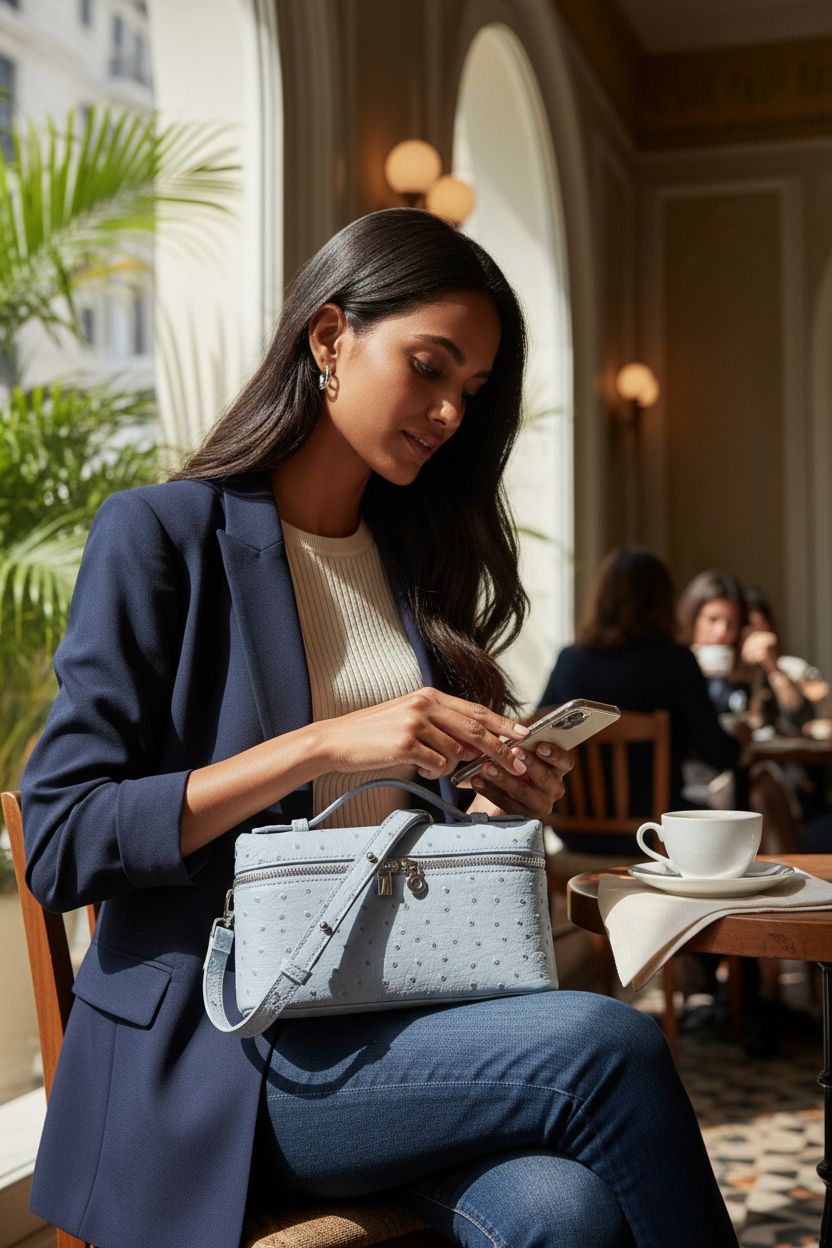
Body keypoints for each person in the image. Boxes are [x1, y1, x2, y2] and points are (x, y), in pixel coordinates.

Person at [21, 209, 737, 1248]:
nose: (448, 411)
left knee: (564, 1214)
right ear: (328, 339)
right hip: (221, 1056)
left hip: (397, 1025)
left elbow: (389, 845)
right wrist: (322, 745)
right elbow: (60, 836)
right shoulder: (163, 535)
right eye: (429, 367)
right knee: (605, 1045)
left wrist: (491, 803)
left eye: (472, 390)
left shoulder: (409, 570)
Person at [538, 547, 741, 854]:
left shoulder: (570, 660)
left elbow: (539, 729)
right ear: (664, 601)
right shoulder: (675, 661)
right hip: (653, 832)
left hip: (573, 830)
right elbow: (719, 754)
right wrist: (742, 738)